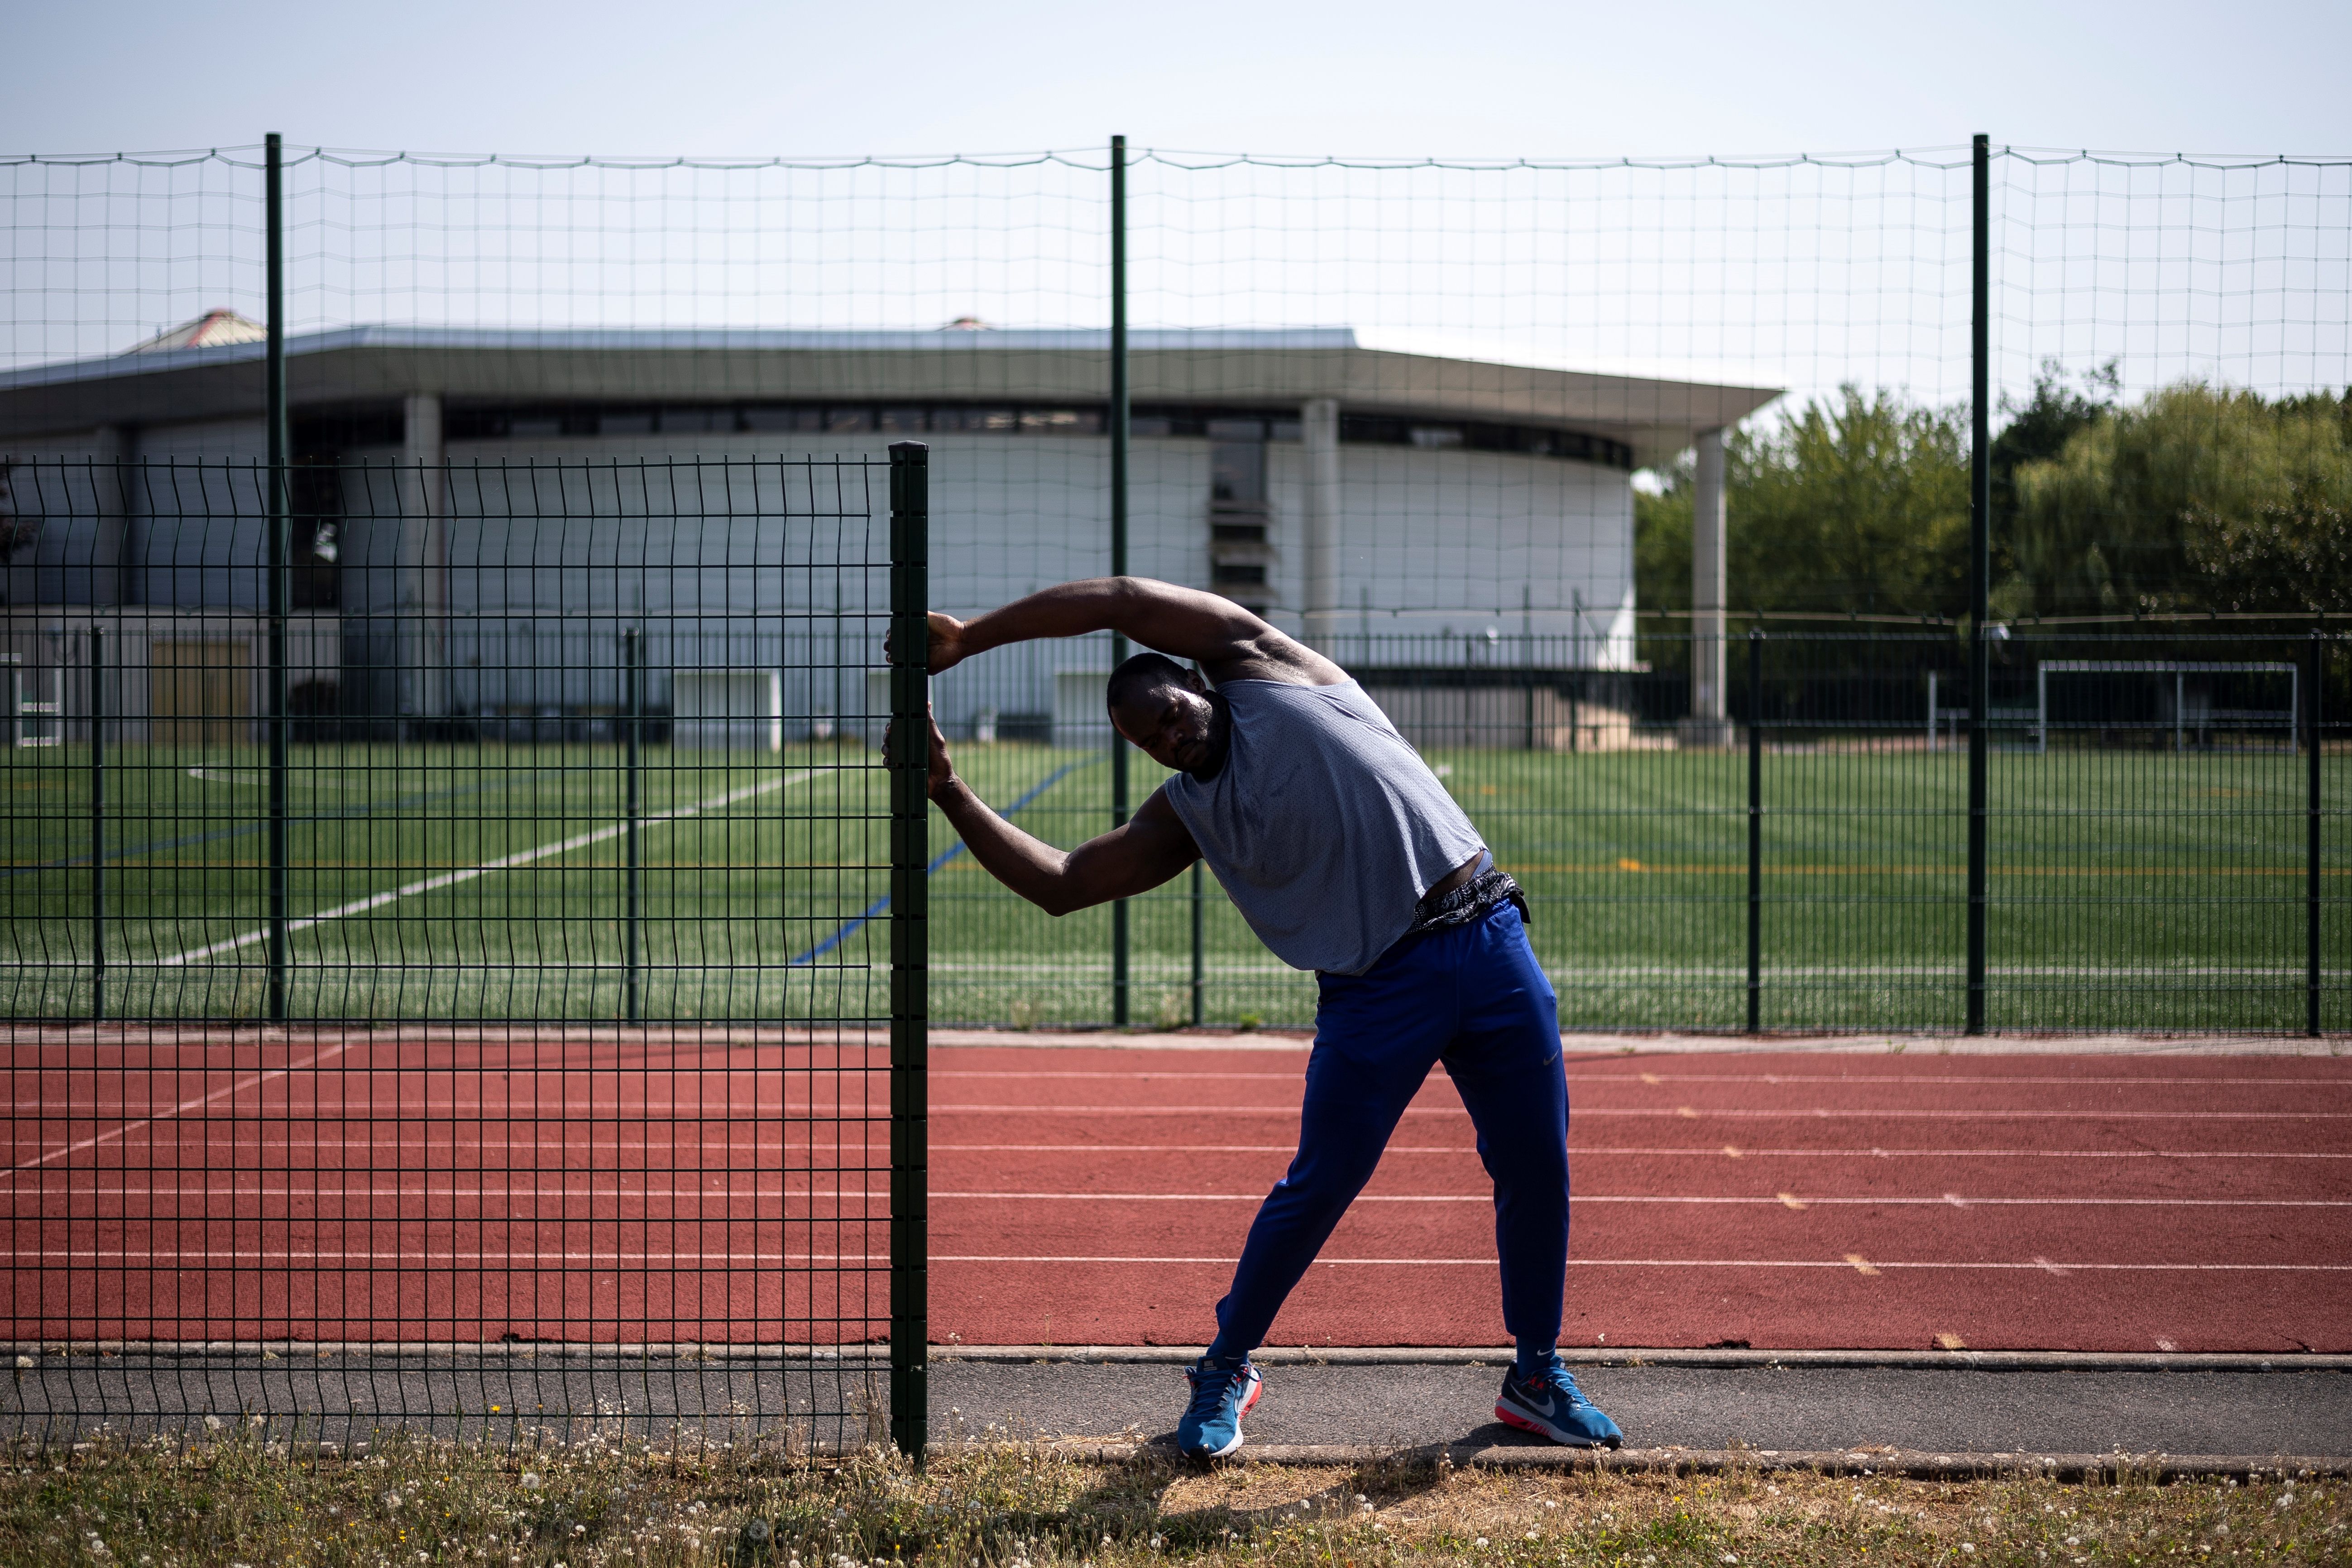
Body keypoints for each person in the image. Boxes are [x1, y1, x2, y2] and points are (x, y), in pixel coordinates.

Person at [899, 575, 1622, 1459]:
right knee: (1319, 1185)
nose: (1171, 735)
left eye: (1170, 710)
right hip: (1376, 987)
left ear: (1198, 684)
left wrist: (967, 640)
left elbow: (1125, 599)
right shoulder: (1189, 816)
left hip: (1487, 929)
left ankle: (1536, 1376)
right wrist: (947, 789)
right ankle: (1226, 1367)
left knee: (1536, 1162)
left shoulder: (1267, 668)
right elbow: (1064, 884)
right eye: (1149, 737)